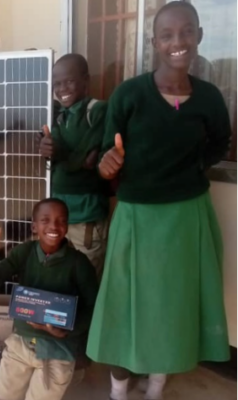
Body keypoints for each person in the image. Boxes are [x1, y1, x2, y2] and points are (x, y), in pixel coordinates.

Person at [86, 3, 231, 400]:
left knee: (173, 306)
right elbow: (103, 160)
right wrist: (109, 164)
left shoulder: (209, 98)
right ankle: (119, 390)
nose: (177, 42)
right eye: (167, 35)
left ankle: (156, 387)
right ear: (154, 43)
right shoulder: (129, 94)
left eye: (186, 32)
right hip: (136, 217)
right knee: (125, 305)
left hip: (188, 217)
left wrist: (193, 166)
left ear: (199, 36)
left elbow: (220, 142)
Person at [0, 198, 98, 400]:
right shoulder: (25, 252)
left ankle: (75, 370)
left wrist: (65, 330)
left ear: (67, 226)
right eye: (45, 220)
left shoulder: (79, 263)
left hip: (57, 349)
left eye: (61, 221)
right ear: (34, 226)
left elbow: (93, 307)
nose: (54, 226)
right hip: (22, 341)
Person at [38, 53, 109, 276]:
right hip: (59, 219)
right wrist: (45, 149)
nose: (62, 89)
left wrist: (60, 155)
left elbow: (87, 159)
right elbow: (75, 158)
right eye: (57, 83)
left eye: (69, 81)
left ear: (86, 81)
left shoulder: (98, 111)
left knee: (87, 280)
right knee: (58, 278)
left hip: (86, 217)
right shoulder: (57, 115)